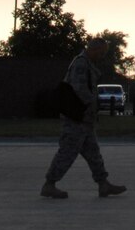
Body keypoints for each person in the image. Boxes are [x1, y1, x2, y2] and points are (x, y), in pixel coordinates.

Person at [41, 37, 128, 199]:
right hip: (77, 119)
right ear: (94, 49)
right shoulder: (81, 64)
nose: (102, 56)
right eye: (102, 52)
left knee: (93, 153)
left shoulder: (87, 64)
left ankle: (103, 184)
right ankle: (49, 184)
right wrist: (91, 106)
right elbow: (79, 89)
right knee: (67, 152)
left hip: (84, 120)